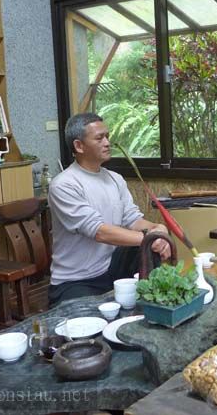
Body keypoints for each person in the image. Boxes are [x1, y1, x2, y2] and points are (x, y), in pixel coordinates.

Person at [48, 113, 171, 306]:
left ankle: (154, 306)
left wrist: (158, 229)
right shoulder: (64, 185)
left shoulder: (115, 179)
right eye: (99, 138)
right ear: (79, 146)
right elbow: (99, 232)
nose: (107, 143)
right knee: (86, 321)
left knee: (151, 246)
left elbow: (133, 220)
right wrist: (150, 238)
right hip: (76, 280)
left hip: (111, 268)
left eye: (107, 136)